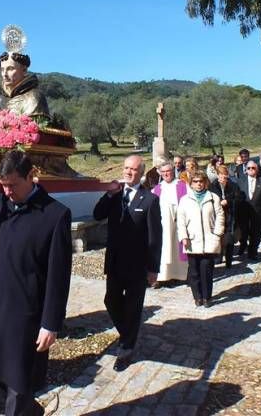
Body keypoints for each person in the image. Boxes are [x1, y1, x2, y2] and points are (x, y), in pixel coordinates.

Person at [0, 150, 72, 416]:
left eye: (13, 184)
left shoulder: (55, 215)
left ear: (31, 176)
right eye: (3, 185)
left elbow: (59, 276)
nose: (7, 191)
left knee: (18, 384)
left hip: (27, 315)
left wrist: (51, 324)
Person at [93, 154, 162, 372]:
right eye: (125, 168)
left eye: (133, 169)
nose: (128, 172)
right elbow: (97, 215)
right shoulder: (114, 196)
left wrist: (153, 268)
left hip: (137, 265)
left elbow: (154, 238)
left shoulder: (150, 200)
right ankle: (128, 332)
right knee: (110, 301)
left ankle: (126, 347)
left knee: (133, 307)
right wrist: (108, 194)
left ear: (141, 173)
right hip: (114, 262)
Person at [177, 171, 225, 307]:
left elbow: (220, 216)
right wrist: (184, 237)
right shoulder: (185, 199)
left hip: (209, 240)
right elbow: (181, 220)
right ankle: (197, 296)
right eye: (195, 182)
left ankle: (207, 297)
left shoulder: (213, 197)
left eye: (201, 181)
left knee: (207, 270)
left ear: (205, 182)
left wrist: (217, 233)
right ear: (191, 184)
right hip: (192, 241)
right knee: (194, 272)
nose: (198, 184)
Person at [150, 160, 187, 285]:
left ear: (173, 171)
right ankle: (161, 277)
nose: (166, 174)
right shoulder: (156, 189)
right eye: (164, 172)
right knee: (163, 251)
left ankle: (178, 275)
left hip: (178, 225)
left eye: (169, 171)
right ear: (160, 173)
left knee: (177, 250)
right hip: (162, 227)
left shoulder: (182, 185)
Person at [0, 52, 50, 118]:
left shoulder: (34, 98)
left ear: (24, 70)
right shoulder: (0, 100)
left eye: (10, 69)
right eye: (2, 69)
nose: (4, 74)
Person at [209, 165, 243, 269]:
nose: (223, 179)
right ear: (217, 176)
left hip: (230, 216)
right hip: (217, 216)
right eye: (221, 176)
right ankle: (218, 257)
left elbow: (239, 198)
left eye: (225, 177)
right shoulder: (212, 186)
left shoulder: (233, 186)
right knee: (219, 237)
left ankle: (229, 260)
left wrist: (228, 201)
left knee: (229, 239)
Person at [235, 160, 261, 259]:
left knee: (256, 234)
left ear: (257, 169)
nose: (251, 170)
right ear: (246, 170)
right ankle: (243, 246)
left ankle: (252, 252)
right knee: (244, 233)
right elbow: (237, 197)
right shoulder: (240, 181)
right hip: (243, 212)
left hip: (258, 213)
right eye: (248, 168)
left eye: (253, 168)